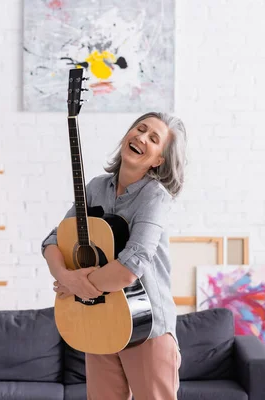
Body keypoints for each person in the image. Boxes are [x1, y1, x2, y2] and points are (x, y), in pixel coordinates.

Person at [40, 111, 187, 400]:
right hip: (99, 319)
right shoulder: (96, 187)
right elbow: (53, 240)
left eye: (153, 138)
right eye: (140, 129)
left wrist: (77, 285)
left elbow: (132, 265)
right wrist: (65, 276)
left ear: (159, 160)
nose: (141, 137)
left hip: (147, 326)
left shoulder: (154, 196)